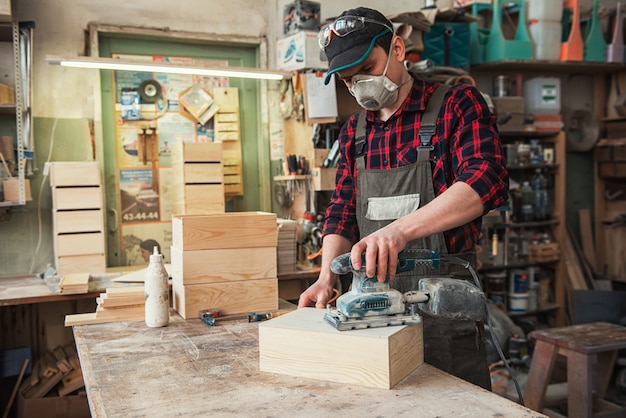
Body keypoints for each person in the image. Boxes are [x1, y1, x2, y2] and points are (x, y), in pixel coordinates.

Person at [297, 7, 509, 390]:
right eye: (348, 79)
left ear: (397, 48)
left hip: (445, 312)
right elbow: (342, 210)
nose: (360, 84)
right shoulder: (354, 132)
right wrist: (327, 276)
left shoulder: (456, 104)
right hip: (371, 325)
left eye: (367, 68)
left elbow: (486, 179)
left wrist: (399, 232)